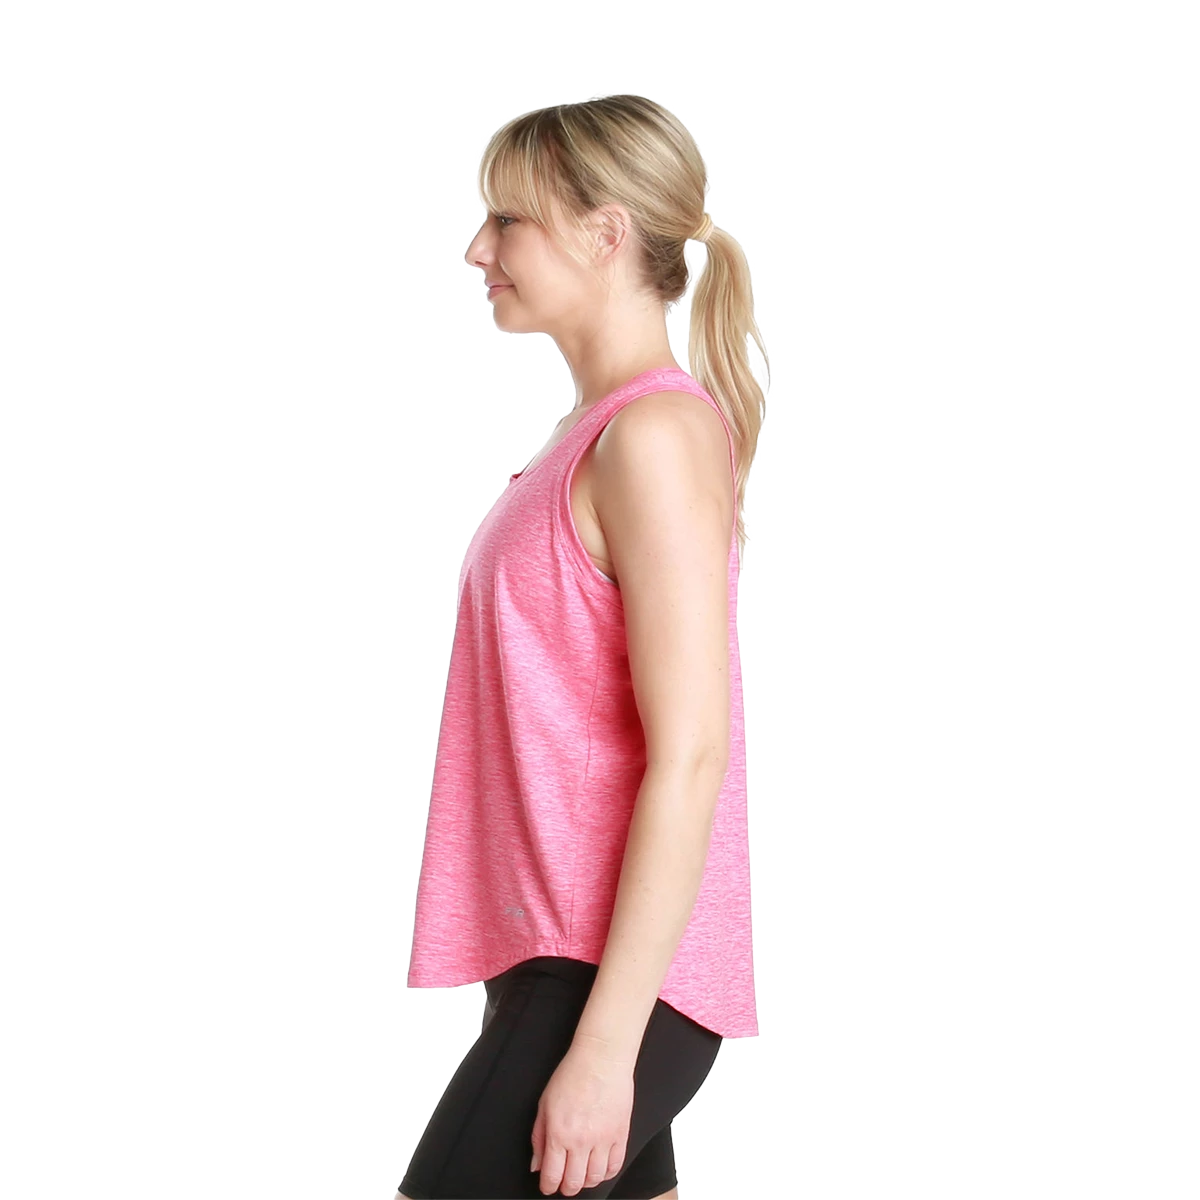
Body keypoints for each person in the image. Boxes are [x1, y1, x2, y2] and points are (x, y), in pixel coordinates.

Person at [402, 94, 769, 1200]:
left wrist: (606, 1048)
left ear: (605, 233)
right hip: (564, 961)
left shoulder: (653, 435)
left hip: (605, 973)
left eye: (505, 221)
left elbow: (693, 751)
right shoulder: (598, 435)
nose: (480, 251)